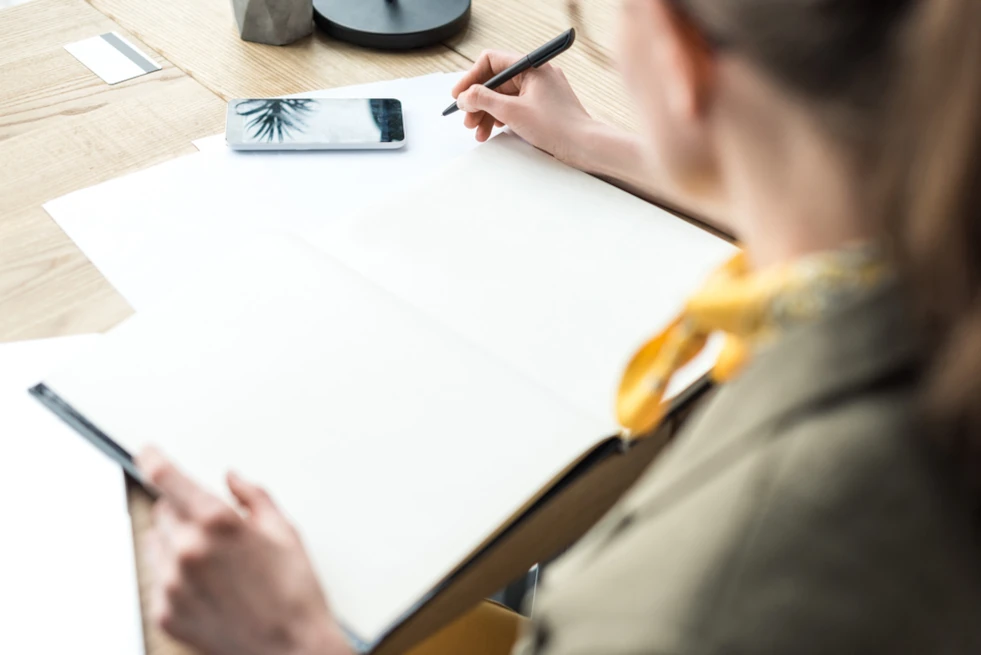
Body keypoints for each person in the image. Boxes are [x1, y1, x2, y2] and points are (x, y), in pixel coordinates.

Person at [137, 0, 981, 653]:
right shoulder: (940, 236)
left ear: (681, 60)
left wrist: (294, 638)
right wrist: (591, 142)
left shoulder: (686, 603)